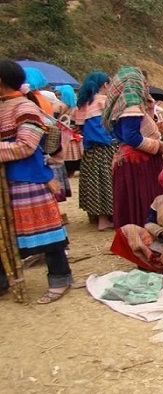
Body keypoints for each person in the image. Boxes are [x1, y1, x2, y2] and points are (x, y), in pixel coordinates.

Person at [0, 59, 72, 304]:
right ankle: (3, 281)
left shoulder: (24, 109)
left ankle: (60, 277)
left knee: (47, 234)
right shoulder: (5, 105)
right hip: (7, 183)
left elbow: (26, 146)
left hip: (27, 180)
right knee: (5, 235)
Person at [103, 67, 163, 228]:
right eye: (144, 83)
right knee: (143, 200)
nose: (146, 86)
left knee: (134, 201)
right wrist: (158, 146)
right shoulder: (131, 105)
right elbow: (131, 137)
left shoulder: (123, 104)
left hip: (132, 159)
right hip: (138, 162)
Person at [74, 71, 117, 231]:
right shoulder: (104, 101)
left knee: (94, 182)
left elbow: (82, 128)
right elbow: (111, 126)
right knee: (107, 182)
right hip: (106, 148)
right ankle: (106, 219)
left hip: (90, 150)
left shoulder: (83, 103)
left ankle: (98, 217)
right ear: (105, 85)